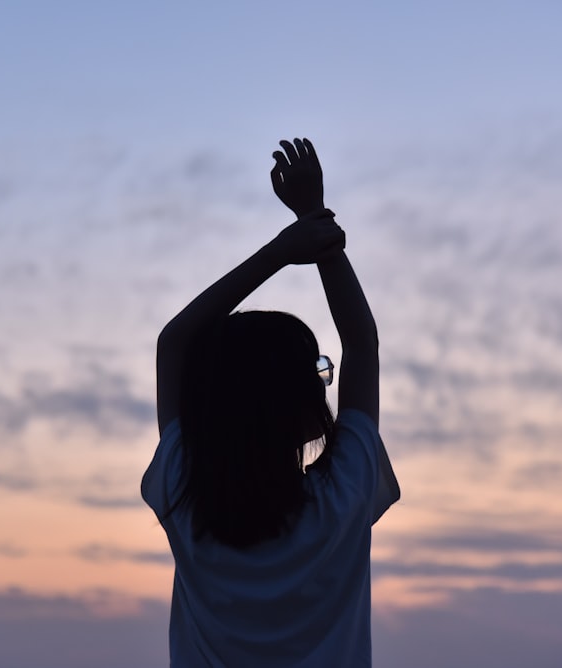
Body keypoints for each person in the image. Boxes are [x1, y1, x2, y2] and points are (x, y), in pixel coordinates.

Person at [142, 137, 400, 667]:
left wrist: (282, 251)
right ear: (286, 398)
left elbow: (174, 342)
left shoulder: (182, 492)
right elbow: (362, 342)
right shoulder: (342, 496)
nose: (325, 382)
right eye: (316, 370)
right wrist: (316, 224)